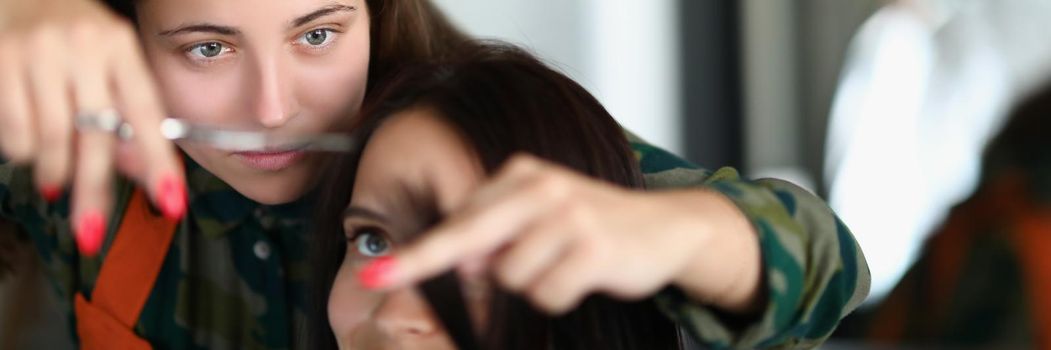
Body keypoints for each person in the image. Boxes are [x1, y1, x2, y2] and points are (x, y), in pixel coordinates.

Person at [0, 0, 869, 348]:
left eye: (317, 35)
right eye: (207, 47)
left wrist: (684, 233)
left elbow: (824, 261)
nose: (271, 107)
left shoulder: (470, 141)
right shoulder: (70, 158)